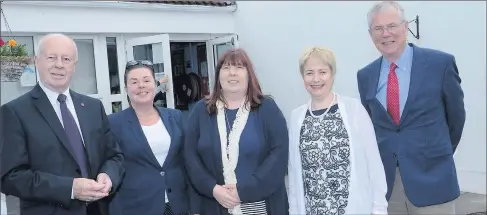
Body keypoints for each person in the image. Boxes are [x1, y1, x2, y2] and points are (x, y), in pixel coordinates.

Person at [356, 1, 466, 214]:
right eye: (378, 29)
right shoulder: (365, 76)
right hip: (389, 186)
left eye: (392, 26)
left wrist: (435, 152)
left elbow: (456, 118)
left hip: (434, 180)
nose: (386, 34)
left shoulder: (440, 64)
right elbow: (371, 126)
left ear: (406, 27)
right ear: (371, 35)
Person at [0, 33, 124, 215]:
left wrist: (109, 176)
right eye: (51, 57)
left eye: (66, 59)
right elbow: (10, 177)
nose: (59, 64)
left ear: (74, 66)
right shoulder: (15, 112)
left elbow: (114, 156)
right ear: (37, 61)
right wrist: (71, 189)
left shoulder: (93, 107)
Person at [183, 48, 289, 215]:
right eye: (226, 68)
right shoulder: (200, 111)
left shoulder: (267, 108)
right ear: (218, 76)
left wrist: (243, 191)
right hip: (213, 204)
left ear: (249, 74)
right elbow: (190, 156)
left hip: (259, 205)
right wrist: (213, 189)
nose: (232, 73)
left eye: (239, 67)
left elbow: (278, 156)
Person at [287, 47, 388, 215]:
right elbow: (294, 175)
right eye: (309, 73)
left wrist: (379, 209)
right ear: (302, 77)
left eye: (323, 72)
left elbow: (374, 165)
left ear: (332, 74)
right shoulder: (296, 117)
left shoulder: (354, 109)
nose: (316, 79)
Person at [107, 60, 197, 215]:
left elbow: (188, 161)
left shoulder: (175, 117)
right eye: (134, 82)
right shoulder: (113, 123)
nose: (141, 85)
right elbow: (110, 163)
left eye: (146, 80)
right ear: (126, 88)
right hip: (135, 207)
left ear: (155, 85)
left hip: (177, 204)